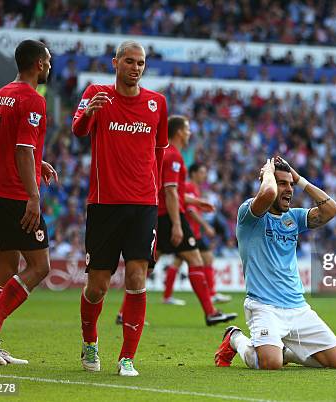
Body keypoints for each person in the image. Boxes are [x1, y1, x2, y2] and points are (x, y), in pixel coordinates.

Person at [72, 40, 168, 377]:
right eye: (129, 61)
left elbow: (159, 151)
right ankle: (90, 340)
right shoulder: (96, 93)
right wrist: (89, 113)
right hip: (103, 204)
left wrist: (154, 193)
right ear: (115, 62)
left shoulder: (158, 103)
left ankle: (127, 357)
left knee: (137, 277)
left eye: (141, 63)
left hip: (143, 204)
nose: (136, 68)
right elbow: (78, 130)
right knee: (97, 285)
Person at [0, 39, 56, 365]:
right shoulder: (33, 100)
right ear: (38, 64)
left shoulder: (0, 94)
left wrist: (37, 163)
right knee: (40, 266)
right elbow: (20, 149)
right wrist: (33, 195)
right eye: (47, 60)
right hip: (12, 195)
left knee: (5, 267)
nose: (49, 65)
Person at [215, 156, 336, 370]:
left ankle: (285, 352)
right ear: (267, 181)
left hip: (298, 308)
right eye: (282, 183)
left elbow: (331, 210)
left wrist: (300, 179)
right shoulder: (249, 215)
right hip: (264, 306)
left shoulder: (294, 218)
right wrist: (267, 172)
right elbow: (267, 194)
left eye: (290, 184)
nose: (289, 189)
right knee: (269, 364)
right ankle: (235, 338)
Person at [155, 115, 237, 325]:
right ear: (180, 132)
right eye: (188, 129)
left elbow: (172, 191)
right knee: (196, 260)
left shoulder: (167, 154)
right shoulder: (174, 156)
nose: (190, 133)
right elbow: (171, 193)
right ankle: (210, 312)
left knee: (145, 266)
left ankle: (123, 313)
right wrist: (176, 223)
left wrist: (197, 202)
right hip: (170, 216)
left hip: (160, 214)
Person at [162, 163, 232, 306]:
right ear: (193, 173)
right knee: (197, 260)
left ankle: (170, 296)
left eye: (205, 172)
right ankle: (210, 295)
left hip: (194, 233)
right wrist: (206, 226)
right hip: (189, 232)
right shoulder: (188, 187)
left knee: (200, 259)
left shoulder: (195, 188)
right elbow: (191, 210)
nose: (204, 175)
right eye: (201, 172)